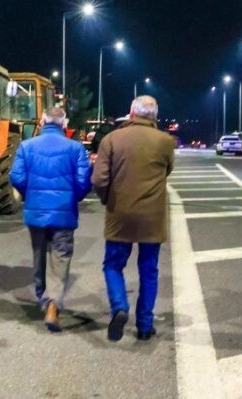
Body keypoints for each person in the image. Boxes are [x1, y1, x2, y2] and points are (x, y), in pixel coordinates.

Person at [91, 95, 175, 341]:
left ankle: (119, 306)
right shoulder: (165, 141)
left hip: (120, 214)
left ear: (131, 112)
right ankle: (145, 326)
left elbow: (98, 179)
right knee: (149, 271)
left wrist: (108, 199)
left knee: (113, 265)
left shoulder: (111, 140)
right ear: (155, 116)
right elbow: (168, 170)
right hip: (152, 217)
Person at [10, 106, 92, 332]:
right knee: (60, 256)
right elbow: (84, 179)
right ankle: (53, 303)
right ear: (64, 124)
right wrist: (74, 197)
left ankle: (42, 296)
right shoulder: (75, 148)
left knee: (39, 255)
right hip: (64, 212)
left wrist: (31, 194)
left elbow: (16, 176)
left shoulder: (27, 146)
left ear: (43, 121)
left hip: (36, 211)